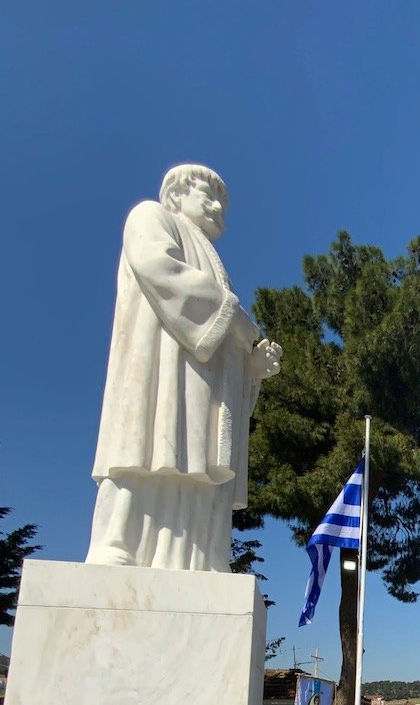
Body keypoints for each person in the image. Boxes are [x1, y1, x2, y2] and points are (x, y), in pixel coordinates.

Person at [86, 164, 282, 571]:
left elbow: (225, 332)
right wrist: (237, 319)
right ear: (176, 194)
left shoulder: (213, 259)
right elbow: (160, 268)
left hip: (205, 383)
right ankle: (118, 542)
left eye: (222, 204)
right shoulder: (150, 216)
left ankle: (195, 558)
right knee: (146, 446)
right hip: (161, 369)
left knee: (199, 463)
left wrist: (252, 368)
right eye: (207, 195)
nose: (216, 207)